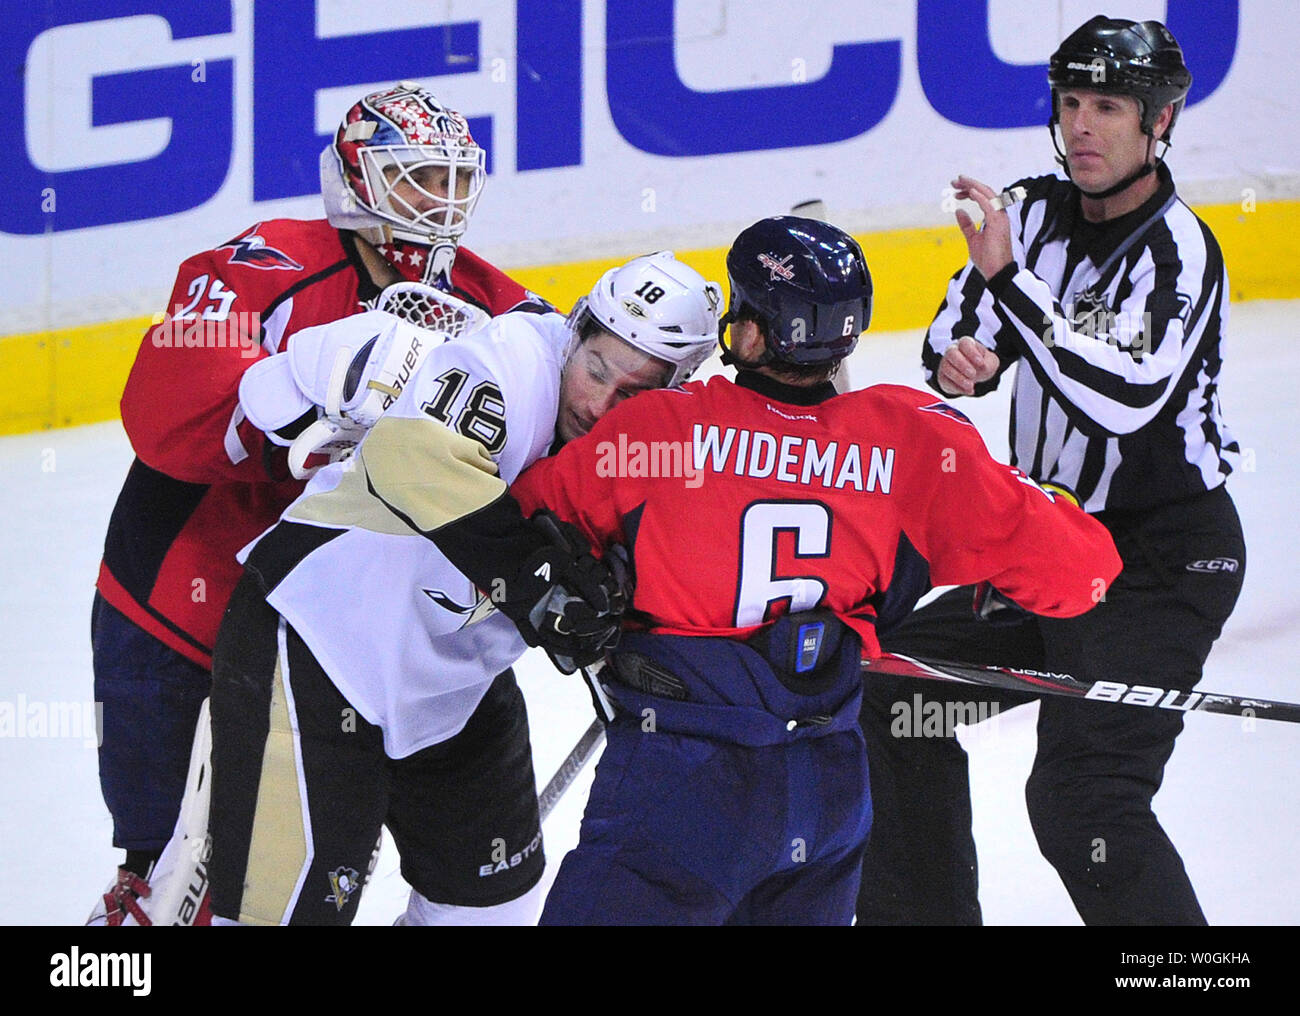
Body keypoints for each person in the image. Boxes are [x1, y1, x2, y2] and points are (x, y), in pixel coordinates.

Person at [507, 216, 1122, 925]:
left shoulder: (660, 432)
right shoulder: (914, 438)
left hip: (681, 786)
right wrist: (1037, 516)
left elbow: (516, 528)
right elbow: (1083, 575)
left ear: (750, 333)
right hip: (827, 791)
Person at [89, 81, 540, 924]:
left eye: (452, 179)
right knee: (171, 879)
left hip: (365, 635)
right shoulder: (264, 266)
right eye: (414, 178)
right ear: (354, 180)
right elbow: (161, 415)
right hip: (184, 609)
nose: (440, 203)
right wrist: (294, 414)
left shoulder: (497, 306)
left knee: (470, 889)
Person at [856, 17, 1246, 926]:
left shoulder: (1179, 250)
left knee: (1084, 802)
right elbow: (962, 330)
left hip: (1159, 566)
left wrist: (1009, 288)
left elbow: (1123, 395)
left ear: (1162, 119)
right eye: (1071, 103)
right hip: (1048, 552)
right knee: (891, 694)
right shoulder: (1028, 212)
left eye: (1108, 107)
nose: (1083, 126)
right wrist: (964, 358)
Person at [206, 251, 723, 925]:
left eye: (631, 393)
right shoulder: (512, 359)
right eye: (595, 368)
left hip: (452, 686)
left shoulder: (664, 449)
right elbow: (412, 461)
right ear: (578, 330)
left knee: (493, 913)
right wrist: (545, 589)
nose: (599, 403)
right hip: (311, 644)